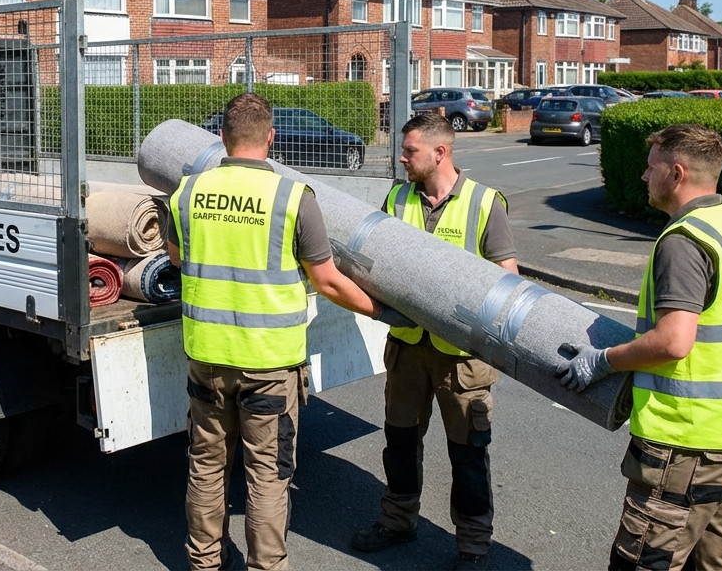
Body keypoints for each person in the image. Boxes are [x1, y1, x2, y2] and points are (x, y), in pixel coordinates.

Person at [165, 92, 382, 571]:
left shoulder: (185, 194)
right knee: (267, 475)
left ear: (221, 138)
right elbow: (326, 280)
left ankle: (203, 562)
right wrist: (379, 309)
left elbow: (180, 259)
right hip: (269, 364)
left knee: (206, 466)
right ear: (271, 138)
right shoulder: (292, 198)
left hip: (207, 356)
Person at [558, 124, 722, 571]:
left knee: (644, 562)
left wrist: (601, 361)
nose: (643, 176)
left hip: (691, 441)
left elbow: (674, 341)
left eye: (651, 166)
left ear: (676, 174)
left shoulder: (684, 241)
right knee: (717, 561)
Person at [350, 112, 518, 571]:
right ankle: (398, 520)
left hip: (460, 359)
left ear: (439, 153)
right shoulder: (399, 197)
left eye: (410, 152)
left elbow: (509, 281)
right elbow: (376, 262)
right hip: (407, 348)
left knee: (467, 454)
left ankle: (473, 546)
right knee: (400, 442)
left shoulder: (484, 204)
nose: (401, 159)